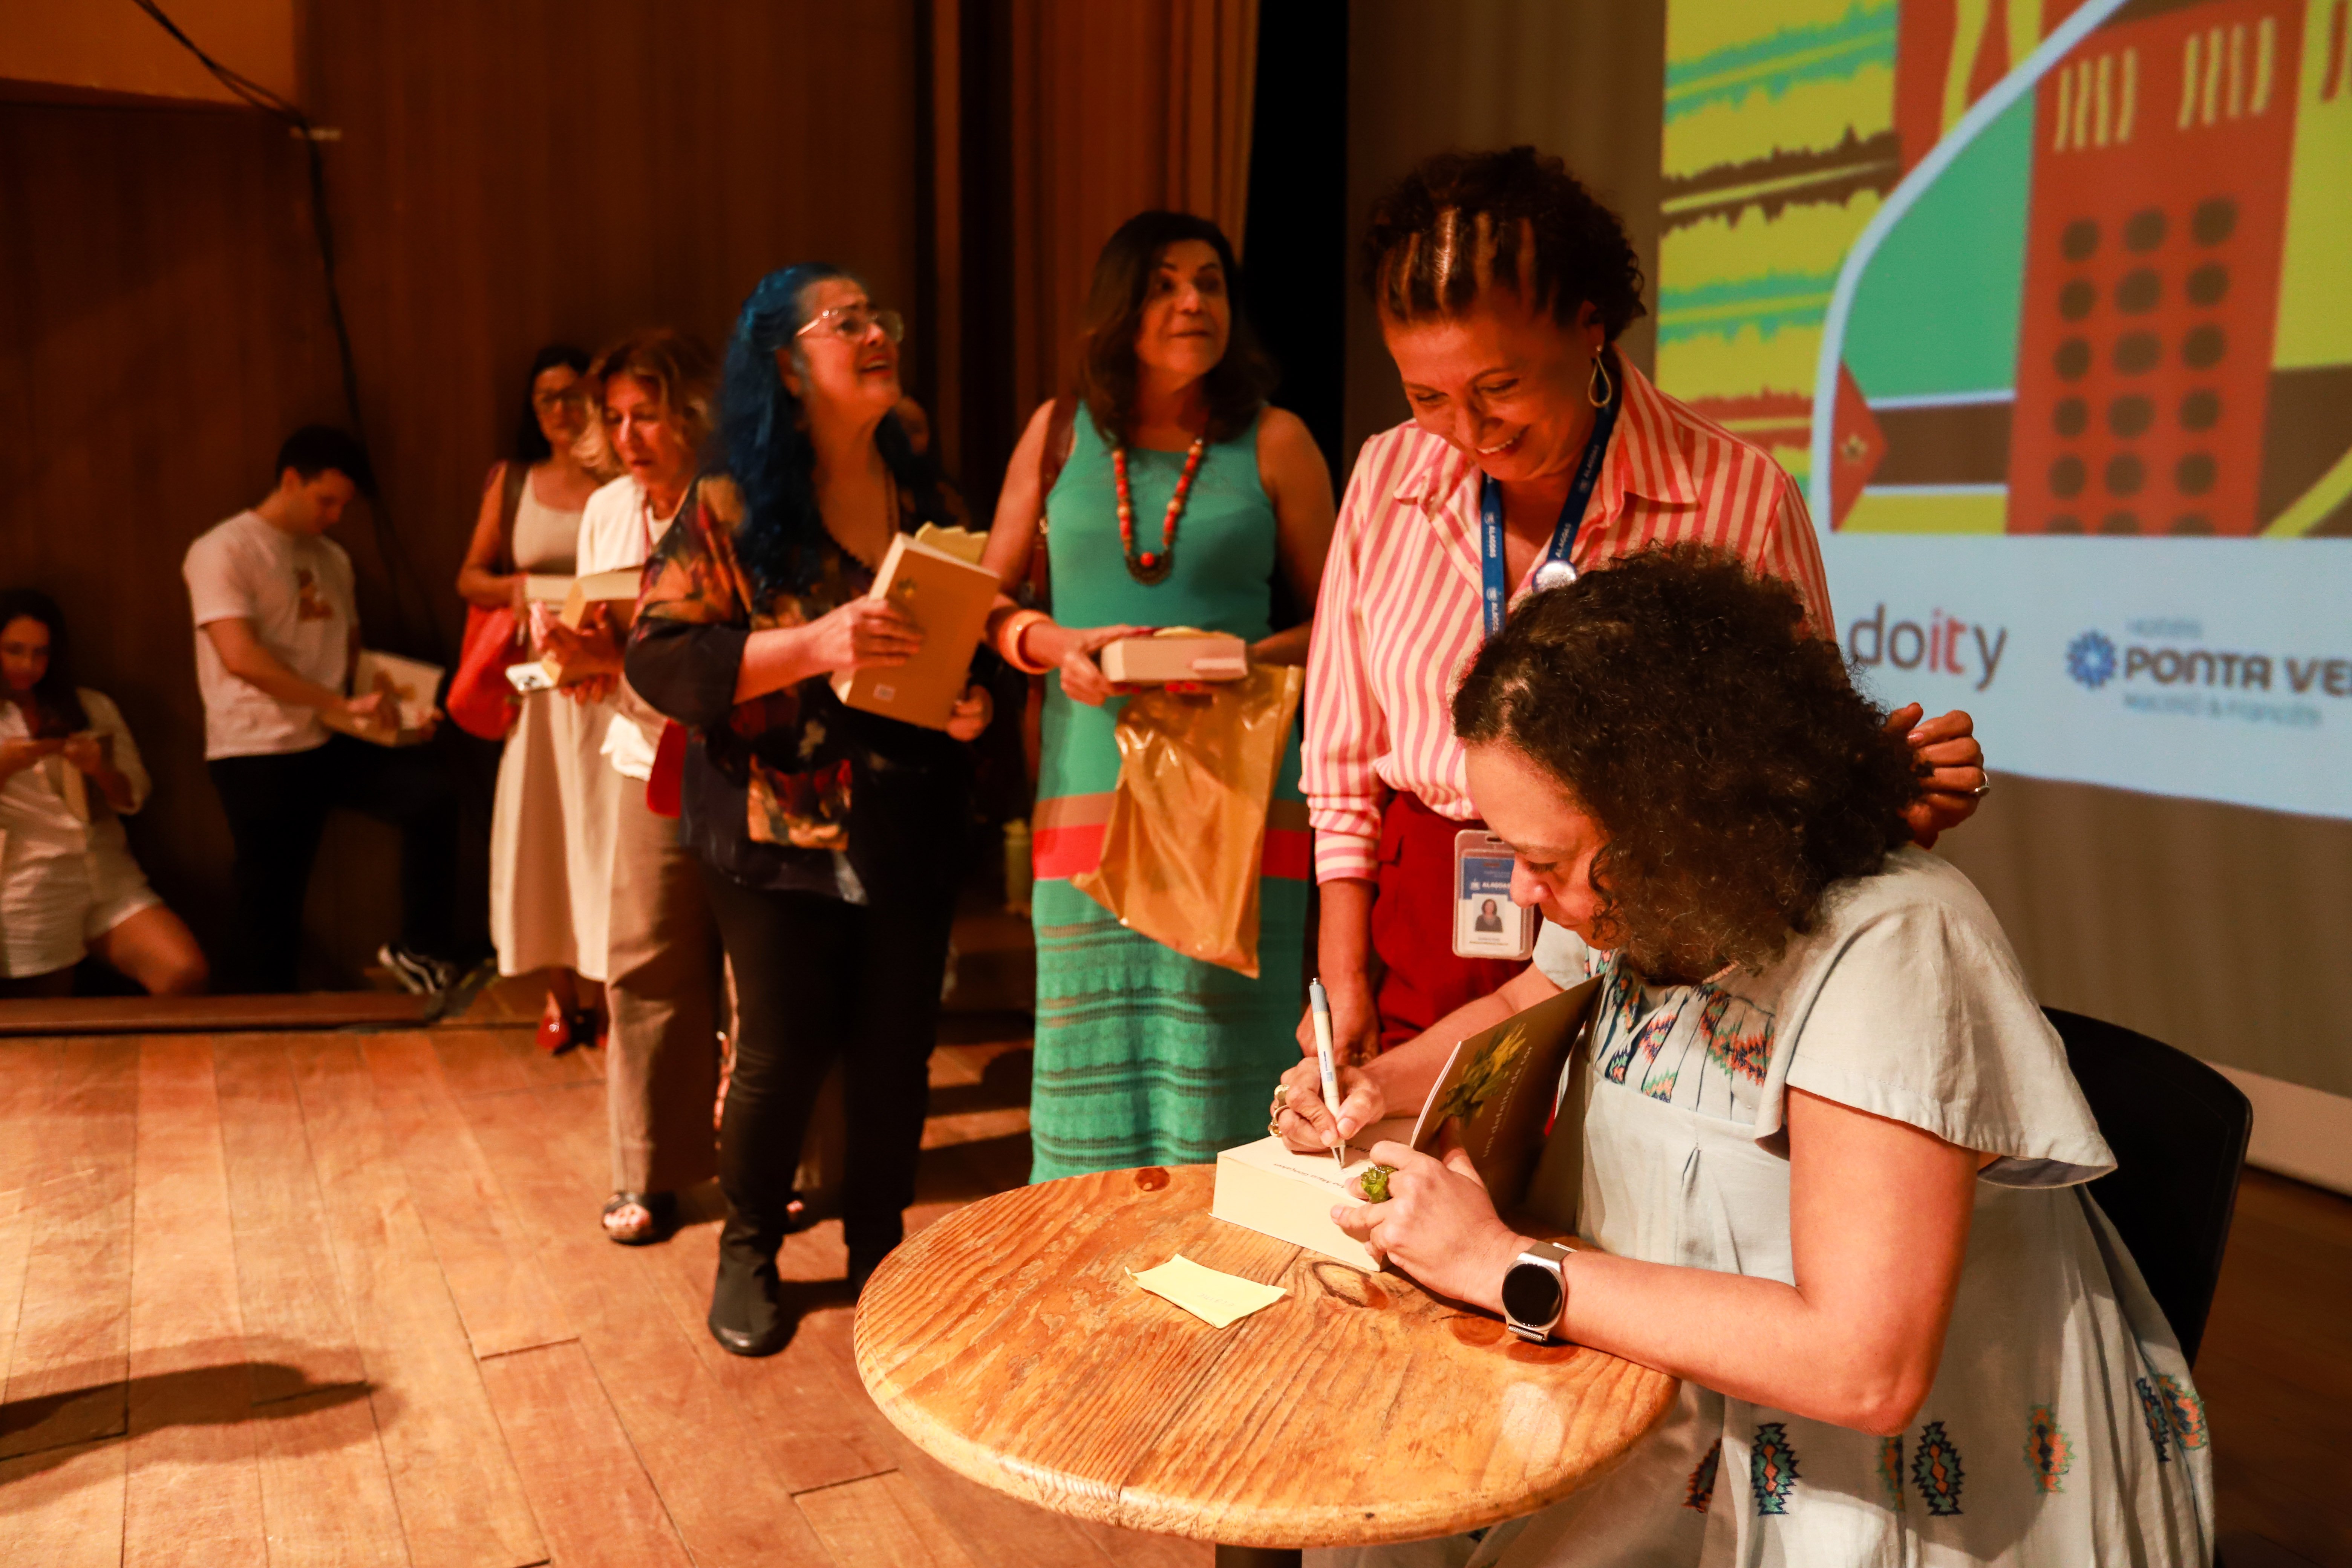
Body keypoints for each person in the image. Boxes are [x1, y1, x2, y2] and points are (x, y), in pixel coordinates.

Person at [1276, 550, 2210, 1568]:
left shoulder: (1891, 947)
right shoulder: (1639, 893)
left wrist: (1501, 1265)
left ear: (1677, 819)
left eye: (1544, 862)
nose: (1526, 893)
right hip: (1663, 1395)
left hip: (1871, 1486)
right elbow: (1528, 997)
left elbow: (1864, 1369)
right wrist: (1373, 1081)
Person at [1303, 147, 1986, 1064]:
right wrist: (1341, 973)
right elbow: (1341, 757)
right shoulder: (1389, 473)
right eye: (1428, 396)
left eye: (1499, 387)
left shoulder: (1733, 494)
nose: (1468, 431)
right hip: (1427, 910)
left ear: (1590, 323)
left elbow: (1795, 762)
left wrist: (1893, 791)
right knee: (1408, 1137)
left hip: (1648, 919)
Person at [628, 265, 993, 1354]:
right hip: (770, 824)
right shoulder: (730, 502)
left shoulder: (928, 499)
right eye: (848, 323)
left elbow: (964, 641)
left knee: (897, 1049)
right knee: (782, 1051)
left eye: (882, 318)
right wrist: (816, 644)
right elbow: (661, 657)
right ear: (786, 365)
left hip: (906, 817)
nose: (878, 334)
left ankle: (880, 1247)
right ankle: (748, 1247)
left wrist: (971, 702)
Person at [977, 211, 1337, 1178]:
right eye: (1166, 283)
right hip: (1087, 788)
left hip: (1236, 796)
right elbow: (988, 602)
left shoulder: (1277, 439)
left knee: (1221, 1058)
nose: (1192, 302)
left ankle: (1230, 1256)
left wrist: (1241, 660)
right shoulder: (1058, 434)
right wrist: (1059, 647)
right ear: (1120, 307)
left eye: (1210, 282)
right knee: (1088, 1068)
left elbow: (1347, 619)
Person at [538, 330, 727, 1246]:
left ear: (689, 412)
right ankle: (649, 1168)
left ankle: (781, 1164)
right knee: (645, 961)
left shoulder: (739, 496)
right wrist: (580, 660)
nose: (626, 437)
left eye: (645, 415)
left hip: (745, 754)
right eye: (613, 419)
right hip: (644, 754)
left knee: (761, 972)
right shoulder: (610, 507)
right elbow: (614, 644)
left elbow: (741, 646)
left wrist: (619, 661)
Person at [185, 425, 462, 994]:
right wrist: (340, 703)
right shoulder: (223, 549)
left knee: (432, 798)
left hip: (329, 737)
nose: (335, 516)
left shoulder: (333, 557)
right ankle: (255, 1010)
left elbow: (351, 656)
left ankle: (419, 948)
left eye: (343, 505)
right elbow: (241, 657)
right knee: (271, 891)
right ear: (291, 480)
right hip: (257, 746)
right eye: (325, 501)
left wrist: (401, 712)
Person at [456, 343, 620, 1053]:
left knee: (606, 833)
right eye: (547, 398)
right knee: (544, 831)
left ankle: (611, 993)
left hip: (609, 678)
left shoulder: (621, 480)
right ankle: (560, 993)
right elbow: (470, 577)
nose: (561, 410)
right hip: (539, 684)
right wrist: (521, 591)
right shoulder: (514, 481)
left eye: (573, 395)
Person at [0, 590, 207, 998]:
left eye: (41, 653)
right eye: (14, 650)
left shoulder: (90, 706)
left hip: (105, 870)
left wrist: (101, 769)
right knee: (48, 1013)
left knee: (185, 973)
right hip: (29, 880)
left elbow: (134, 796)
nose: (28, 665)